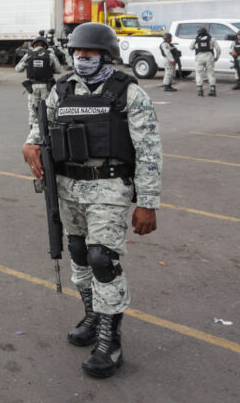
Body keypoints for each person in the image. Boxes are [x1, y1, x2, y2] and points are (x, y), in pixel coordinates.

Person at [22, 22, 161, 379]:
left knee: (102, 259)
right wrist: (30, 143)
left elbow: (148, 150)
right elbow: (41, 129)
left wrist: (147, 202)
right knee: (80, 253)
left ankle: (109, 342)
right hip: (68, 189)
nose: (81, 59)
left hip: (109, 188)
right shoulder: (62, 90)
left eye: (89, 54)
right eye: (77, 53)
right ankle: (93, 316)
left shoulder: (127, 93)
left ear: (106, 55)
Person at [14, 35, 62, 125]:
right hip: (47, 87)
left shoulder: (28, 55)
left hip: (32, 87)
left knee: (33, 110)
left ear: (34, 45)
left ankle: (33, 131)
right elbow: (59, 70)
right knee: (48, 109)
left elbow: (18, 69)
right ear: (45, 46)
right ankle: (47, 131)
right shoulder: (50, 55)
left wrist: (27, 64)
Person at [192, 26, 221, 97]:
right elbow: (218, 49)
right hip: (209, 57)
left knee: (199, 74)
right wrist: (216, 57)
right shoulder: (212, 39)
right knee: (210, 73)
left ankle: (200, 91)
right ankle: (213, 90)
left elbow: (190, 48)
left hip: (199, 58)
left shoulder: (196, 39)